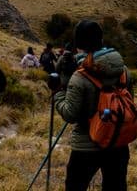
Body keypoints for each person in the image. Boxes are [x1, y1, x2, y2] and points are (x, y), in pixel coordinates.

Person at [51, 20, 132, 191]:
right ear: (101, 40)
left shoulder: (80, 76)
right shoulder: (123, 70)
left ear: (78, 45)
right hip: (118, 142)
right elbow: (129, 101)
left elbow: (70, 114)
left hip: (87, 146)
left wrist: (57, 92)